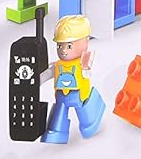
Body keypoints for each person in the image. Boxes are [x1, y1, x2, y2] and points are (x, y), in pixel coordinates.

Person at [42, 14, 106, 144]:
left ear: (86, 42)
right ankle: (57, 132)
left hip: (80, 96)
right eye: (60, 46)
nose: (63, 51)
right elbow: (47, 74)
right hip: (61, 96)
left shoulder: (82, 62)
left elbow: (89, 71)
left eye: (69, 46)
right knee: (59, 113)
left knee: (85, 113)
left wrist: (86, 67)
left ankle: (90, 124)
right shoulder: (57, 65)